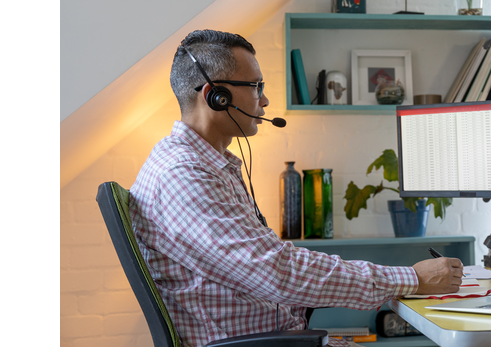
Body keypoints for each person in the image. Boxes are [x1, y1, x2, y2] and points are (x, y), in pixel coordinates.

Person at [129, 29, 464, 347]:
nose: (266, 98)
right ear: (216, 96)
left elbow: (272, 266)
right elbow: (278, 272)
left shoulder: (205, 165)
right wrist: (410, 279)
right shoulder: (185, 176)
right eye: (256, 85)